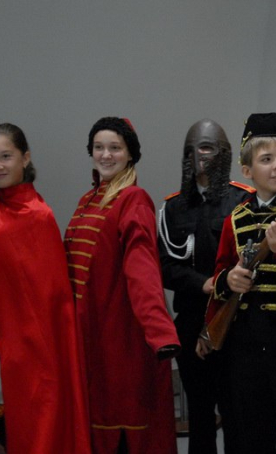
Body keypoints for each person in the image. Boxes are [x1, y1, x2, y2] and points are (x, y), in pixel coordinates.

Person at [0, 123, 90, 453]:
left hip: (14, 358)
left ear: (25, 157)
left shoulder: (38, 216)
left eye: (5, 156)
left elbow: (48, 305)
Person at [197, 113, 276, 454]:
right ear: (247, 171)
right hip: (246, 346)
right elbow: (220, 272)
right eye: (267, 160)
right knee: (252, 438)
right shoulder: (235, 219)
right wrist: (228, 280)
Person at [65, 117, 180, 454]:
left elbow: (142, 268)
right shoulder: (87, 200)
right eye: (99, 147)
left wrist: (160, 331)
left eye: (115, 148)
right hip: (89, 338)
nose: (106, 155)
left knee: (123, 427)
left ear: (130, 154)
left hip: (121, 341)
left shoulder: (134, 200)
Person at [157, 118, 254, 454]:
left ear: (223, 153)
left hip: (235, 323)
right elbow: (164, 267)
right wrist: (204, 285)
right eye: (194, 149)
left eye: (209, 148)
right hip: (190, 321)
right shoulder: (172, 208)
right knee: (199, 415)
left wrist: (222, 287)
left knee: (235, 412)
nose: (200, 156)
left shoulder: (243, 202)